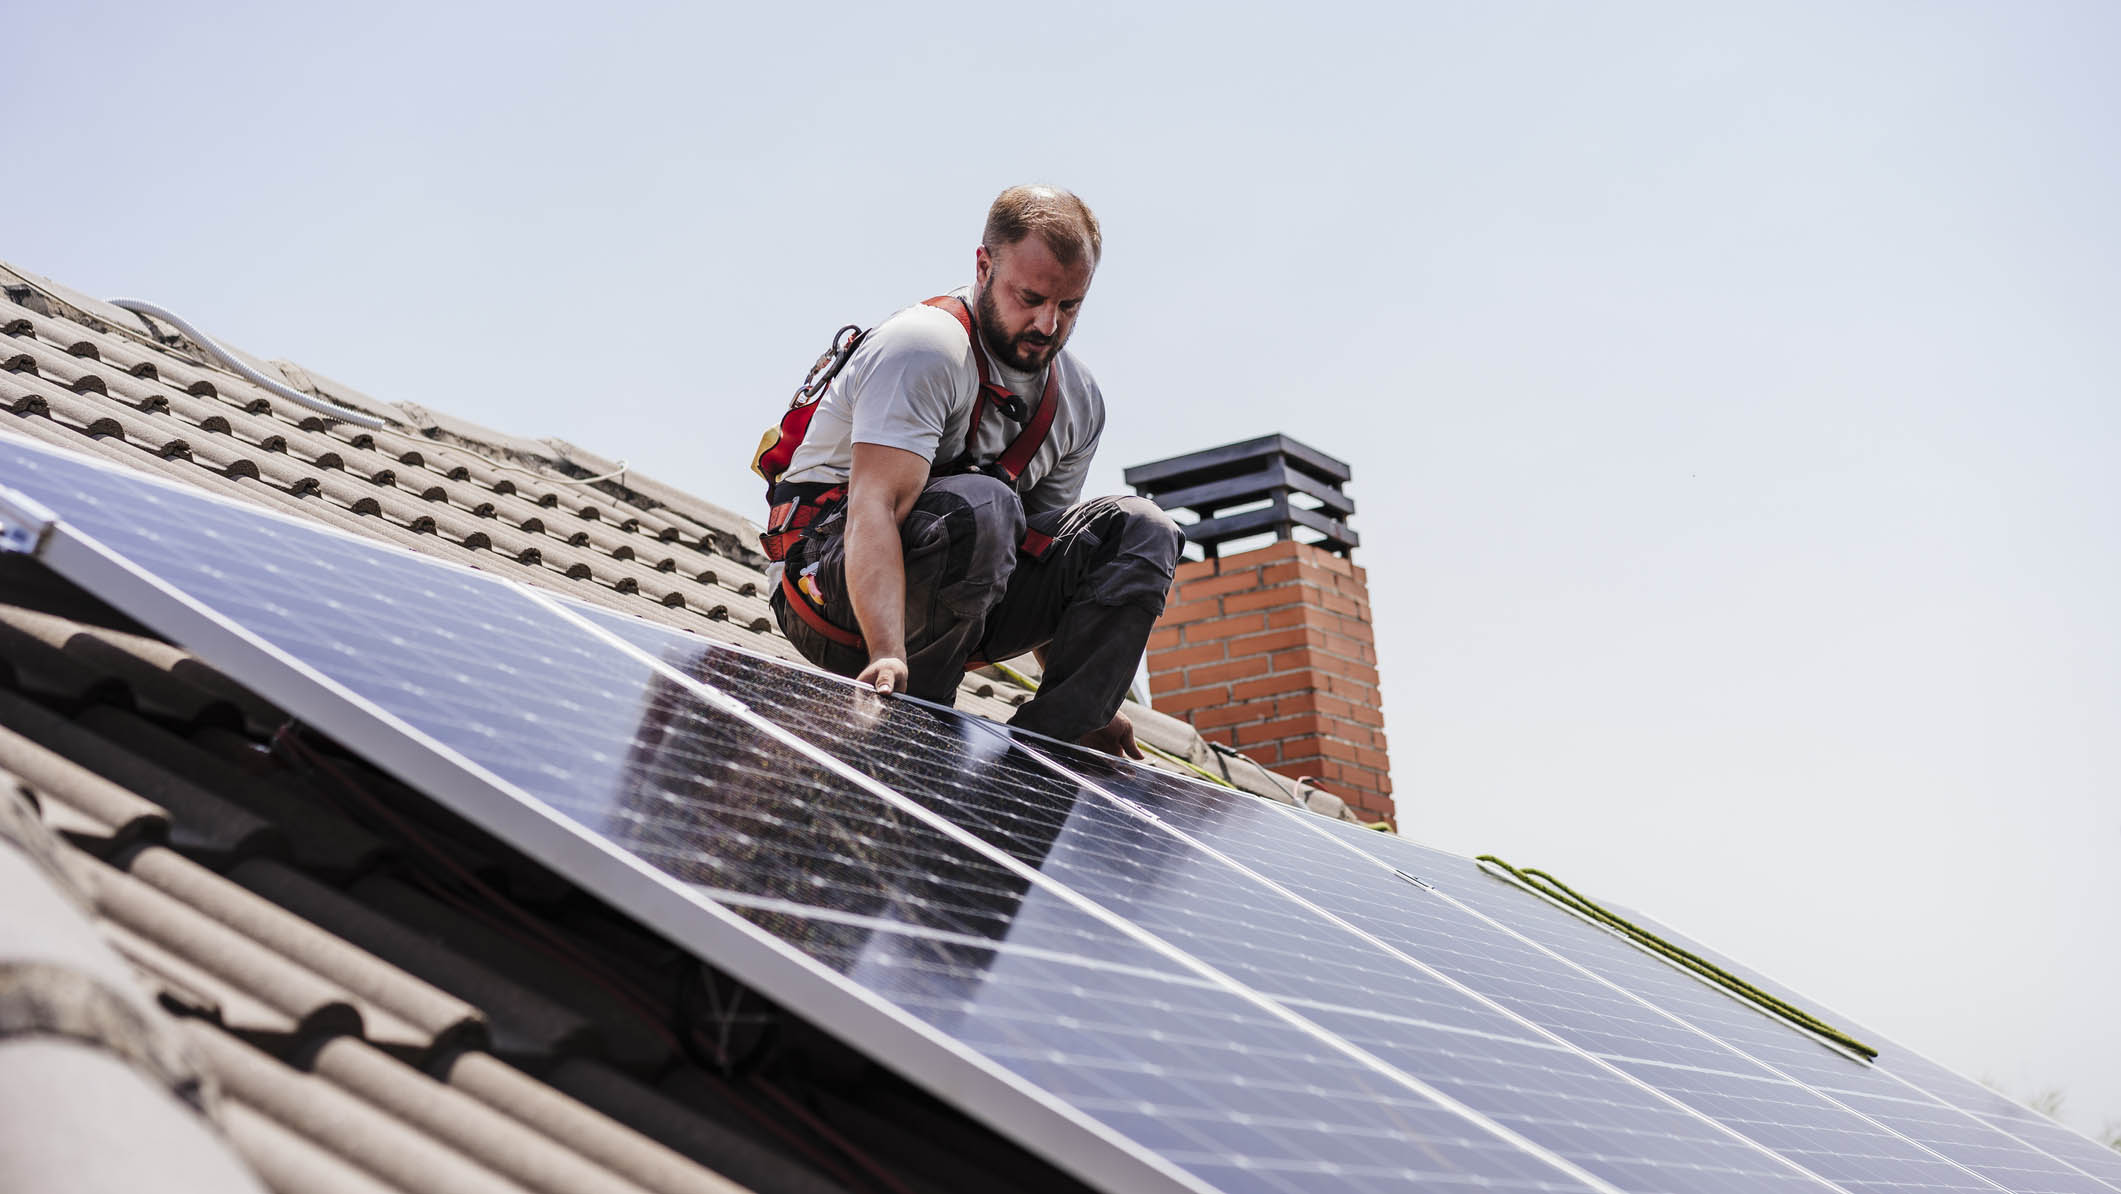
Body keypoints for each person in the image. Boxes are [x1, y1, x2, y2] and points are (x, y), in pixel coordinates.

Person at [769, 185, 1183, 757]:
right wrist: (887, 651)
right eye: (1030, 297)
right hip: (834, 594)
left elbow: (1041, 555)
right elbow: (874, 508)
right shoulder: (924, 348)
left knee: (1143, 529)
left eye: (1068, 307)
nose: (1047, 324)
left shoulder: (1079, 400)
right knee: (986, 503)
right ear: (984, 266)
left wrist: (1089, 693)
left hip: (962, 606)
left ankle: (1056, 748)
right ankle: (915, 730)